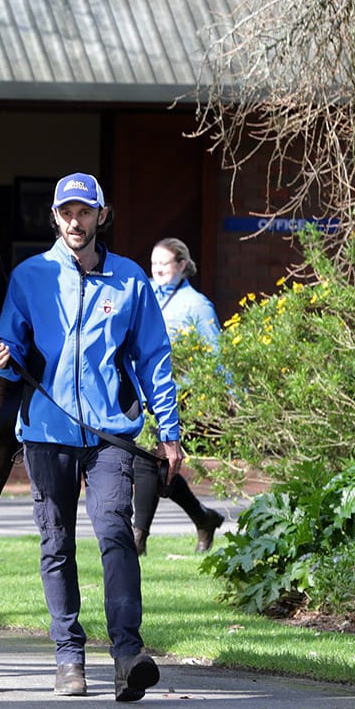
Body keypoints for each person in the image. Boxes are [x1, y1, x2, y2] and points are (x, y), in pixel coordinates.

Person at [0, 172, 184, 702]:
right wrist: (4, 361)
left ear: (101, 215)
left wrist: (170, 432)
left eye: (85, 212)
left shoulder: (131, 280)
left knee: (115, 534)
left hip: (110, 435)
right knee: (57, 545)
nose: (76, 221)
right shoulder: (30, 277)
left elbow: (155, 358)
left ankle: (126, 655)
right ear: (55, 217)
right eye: (66, 212)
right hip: (47, 434)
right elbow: (14, 351)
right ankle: (68, 658)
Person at [133, 237, 226, 556]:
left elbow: (216, 353)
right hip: (139, 391)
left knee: (148, 461)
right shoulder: (143, 291)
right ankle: (204, 518)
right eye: (154, 263)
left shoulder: (197, 305)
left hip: (177, 396)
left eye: (165, 263)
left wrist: (229, 394)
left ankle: (138, 541)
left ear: (182, 266)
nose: (157, 269)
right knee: (157, 470)